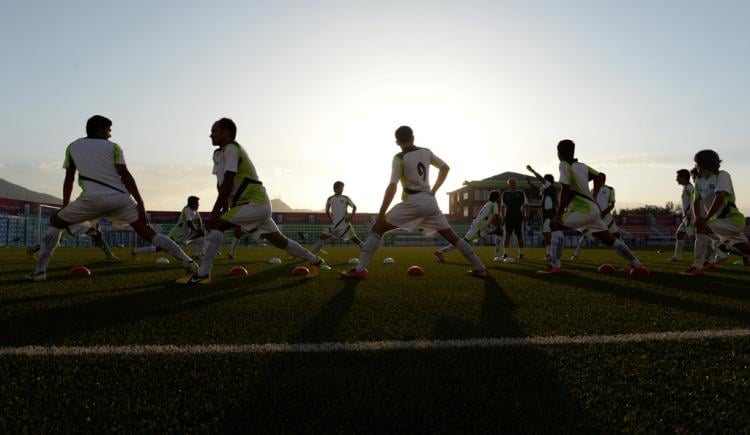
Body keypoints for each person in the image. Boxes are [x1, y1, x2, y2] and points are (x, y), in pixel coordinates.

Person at [27, 115, 197, 281]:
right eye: (109, 130)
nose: (110, 134)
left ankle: (39, 272)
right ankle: (188, 262)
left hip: (92, 199)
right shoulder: (114, 147)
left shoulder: (72, 147)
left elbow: (69, 178)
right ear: (99, 129)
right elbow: (125, 175)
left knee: (56, 223)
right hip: (121, 199)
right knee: (148, 232)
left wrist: (64, 206)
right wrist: (140, 201)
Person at [179, 117, 323, 284]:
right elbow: (221, 185)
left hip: (256, 203)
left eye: (214, 131)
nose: (210, 135)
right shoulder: (218, 154)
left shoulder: (232, 149)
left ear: (226, 132)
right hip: (252, 205)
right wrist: (225, 209)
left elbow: (228, 182)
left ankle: (203, 274)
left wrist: (215, 213)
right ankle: (315, 260)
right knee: (279, 241)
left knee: (216, 224)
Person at [341, 125, 488, 278]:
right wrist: (434, 190)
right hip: (430, 202)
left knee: (377, 228)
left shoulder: (399, 157)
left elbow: (392, 186)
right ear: (413, 138)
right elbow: (445, 168)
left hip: (414, 201)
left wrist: (381, 213)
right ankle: (480, 268)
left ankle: (359, 270)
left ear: (397, 142)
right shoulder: (426, 151)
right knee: (453, 237)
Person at [540, 139, 648, 275]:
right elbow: (599, 176)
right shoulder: (582, 166)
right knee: (610, 240)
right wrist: (594, 196)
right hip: (593, 210)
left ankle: (556, 266)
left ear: (559, 152)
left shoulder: (564, 164)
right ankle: (637, 265)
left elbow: (565, 189)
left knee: (554, 227)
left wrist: (559, 214)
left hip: (583, 210)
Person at [682, 149, 750, 275]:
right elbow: (696, 201)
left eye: (696, 162)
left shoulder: (722, 175)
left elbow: (720, 196)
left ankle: (698, 265)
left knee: (702, 228)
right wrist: (697, 218)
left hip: (732, 220)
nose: (695, 165)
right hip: (717, 222)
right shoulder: (699, 180)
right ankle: (724, 247)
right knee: (745, 249)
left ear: (703, 163)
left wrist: (705, 220)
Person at [433, 190, 501, 262]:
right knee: (462, 242)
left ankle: (497, 254)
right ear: (496, 197)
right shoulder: (494, 204)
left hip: (479, 226)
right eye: (499, 196)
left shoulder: (488, 203)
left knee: (496, 233)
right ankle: (440, 252)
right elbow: (496, 216)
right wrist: (498, 227)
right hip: (479, 226)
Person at [132, 195, 205, 258]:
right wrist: (196, 230)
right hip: (177, 234)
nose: (198, 205)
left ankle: (197, 254)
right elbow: (189, 222)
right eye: (197, 203)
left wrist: (200, 229)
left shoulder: (195, 211)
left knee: (201, 236)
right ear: (191, 203)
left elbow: (199, 220)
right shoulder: (187, 210)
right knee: (160, 248)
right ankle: (137, 250)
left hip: (186, 234)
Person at [571, 173, 620, 260]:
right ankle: (576, 255)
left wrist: (604, 213)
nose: (597, 179)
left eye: (599, 178)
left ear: (604, 179)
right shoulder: (592, 190)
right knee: (585, 235)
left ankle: (629, 258)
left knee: (617, 237)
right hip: (594, 217)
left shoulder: (610, 189)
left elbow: (612, 205)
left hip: (607, 219)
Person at [312, 181, 364, 254]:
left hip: (344, 225)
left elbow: (354, 207)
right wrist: (331, 219)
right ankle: (314, 252)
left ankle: (366, 251)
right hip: (334, 225)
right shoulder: (330, 199)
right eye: (341, 188)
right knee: (322, 237)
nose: (342, 190)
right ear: (336, 189)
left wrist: (350, 217)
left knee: (354, 239)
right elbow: (327, 211)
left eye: (343, 188)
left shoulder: (346, 198)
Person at [27, 222, 119, 261]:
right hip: (72, 227)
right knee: (54, 243)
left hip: (78, 226)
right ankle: (32, 249)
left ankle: (109, 255)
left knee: (99, 236)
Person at [526, 165, 558, 260]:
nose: (543, 180)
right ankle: (550, 253)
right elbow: (537, 190)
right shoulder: (546, 189)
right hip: (546, 214)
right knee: (547, 233)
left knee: (546, 232)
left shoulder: (550, 186)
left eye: (545, 179)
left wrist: (532, 170)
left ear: (548, 181)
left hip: (549, 213)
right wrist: (529, 183)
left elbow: (540, 179)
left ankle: (550, 253)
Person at [666, 169, 694, 261]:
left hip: (690, 216)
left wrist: (691, 211)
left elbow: (695, 198)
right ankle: (678, 256)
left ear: (683, 177)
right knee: (679, 234)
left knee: (695, 237)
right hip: (686, 217)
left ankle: (709, 257)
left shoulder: (689, 187)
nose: (676, 179)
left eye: (677, 177)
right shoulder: (686, 187)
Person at [499, 178, 529, 259]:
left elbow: (526, 205)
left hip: (518, 217)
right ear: (508, 184)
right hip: (508, 217)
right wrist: (502, 217)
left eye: (514, 183)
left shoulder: (521, 193)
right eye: (511, 183)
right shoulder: (505, 194)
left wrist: (526, 214)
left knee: (519, 235)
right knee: (507, 235)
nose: (512, 184)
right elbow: (502, 206)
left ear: (516, 184)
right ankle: (505, 253)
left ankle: (521, 253)